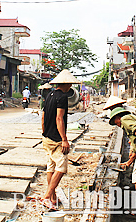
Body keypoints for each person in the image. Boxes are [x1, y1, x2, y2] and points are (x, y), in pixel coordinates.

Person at [40, 69, 80, 210]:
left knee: (51, 166)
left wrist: (45, 132)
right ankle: (47, 196)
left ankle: (53, 198)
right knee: (62, 167)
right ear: (68, 84)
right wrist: (64, 139)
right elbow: (59, 118)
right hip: (56, 139)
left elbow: (44, 116)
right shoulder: (62, 97)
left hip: (46, 137)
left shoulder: (49, 95)